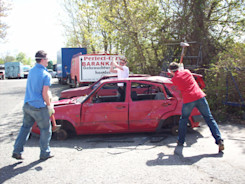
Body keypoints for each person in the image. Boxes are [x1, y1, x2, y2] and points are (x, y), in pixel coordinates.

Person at [168, 62, 224, 152]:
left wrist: (171, 74)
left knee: (183, 120)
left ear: (171, 70)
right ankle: (219, 140)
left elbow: (174, 84)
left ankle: (181, 141)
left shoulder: (174, 79)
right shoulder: (187, 72)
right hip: (199, 97)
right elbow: (182, 70)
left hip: (188, 100)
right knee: (209, 118)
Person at [12, 50, 55, 160]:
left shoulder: (31, 71)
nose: (48, 61)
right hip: (39, 107)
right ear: (42, 60)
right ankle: (45, 153)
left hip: (27, 105)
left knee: (25, 128)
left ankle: (17, 150)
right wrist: (49, 105)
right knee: (46, 129)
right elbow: (44, 93)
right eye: (47, 59)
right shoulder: (46, 75)